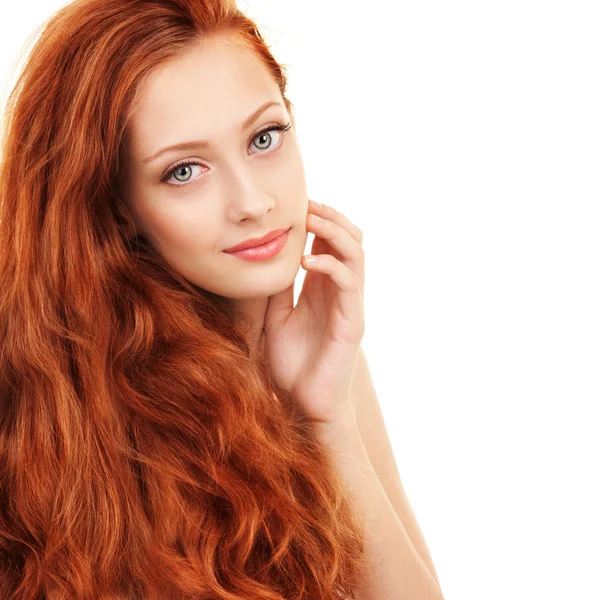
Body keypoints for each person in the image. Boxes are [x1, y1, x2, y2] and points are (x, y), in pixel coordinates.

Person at [0, 1, 443, 598]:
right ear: (116, 208)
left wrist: (327, 421)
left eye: (265, 137)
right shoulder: (57, 400)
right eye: (185, 171)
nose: (252, 201)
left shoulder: (319, 363)